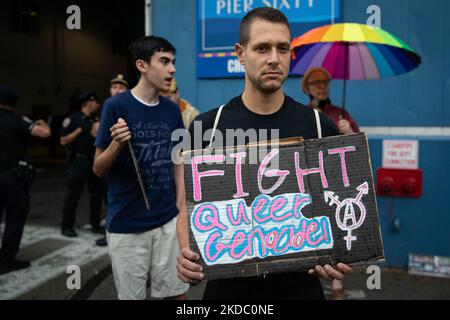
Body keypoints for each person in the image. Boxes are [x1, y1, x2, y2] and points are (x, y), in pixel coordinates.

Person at [176, 7, 353, 300]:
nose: (274, 58)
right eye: (262, 48)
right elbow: (186, 204)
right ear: (240, 53)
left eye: (282, 48)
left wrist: (339, 254)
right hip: (228, 294)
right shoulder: (207, 126)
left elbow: (340, 207)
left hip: (301, 289)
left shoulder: (321, 126)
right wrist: (188, 253)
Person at [93, 36, 189, 300]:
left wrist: (180, 212)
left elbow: (179, 163)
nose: (172, 69)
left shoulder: (171, 110)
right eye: (164, 61)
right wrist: (115, 144)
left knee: (177, 296)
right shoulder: (115, 106)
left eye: (173, 62)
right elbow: (98, 169)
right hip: (127, 225)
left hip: (167, 221)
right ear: (142, 65)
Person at [0, 86, 51, 275]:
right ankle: (6, 260)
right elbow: (44, 133)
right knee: (14, 218)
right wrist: (43, 124)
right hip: (14, 178)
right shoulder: (18, 120)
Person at [60, 92, 104, 237]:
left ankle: (95, 224)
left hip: (92, 161)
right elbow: (63, 141)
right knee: (73, 195)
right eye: (96, 102)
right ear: (88, 103)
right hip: (77, 161)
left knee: (96, 194)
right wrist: (80, 130)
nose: (97, 105)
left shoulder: (96, 119)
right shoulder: (73, 119)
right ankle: (67, 226)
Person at [95, 74, 129, 247]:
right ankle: (108, 230)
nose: (117, 90)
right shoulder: (107, 108)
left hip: (122, 163)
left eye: (121, 88)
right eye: (114, 87)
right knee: (106, 197)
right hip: (105, 159)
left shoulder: (125, 107)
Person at [301, 67, 360, 135]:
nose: (323, 86)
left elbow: (359, 143)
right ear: (306, 89)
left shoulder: (341, 114)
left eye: (325, 82)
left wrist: (350, 132)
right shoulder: (303, 115)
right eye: (317, 82)